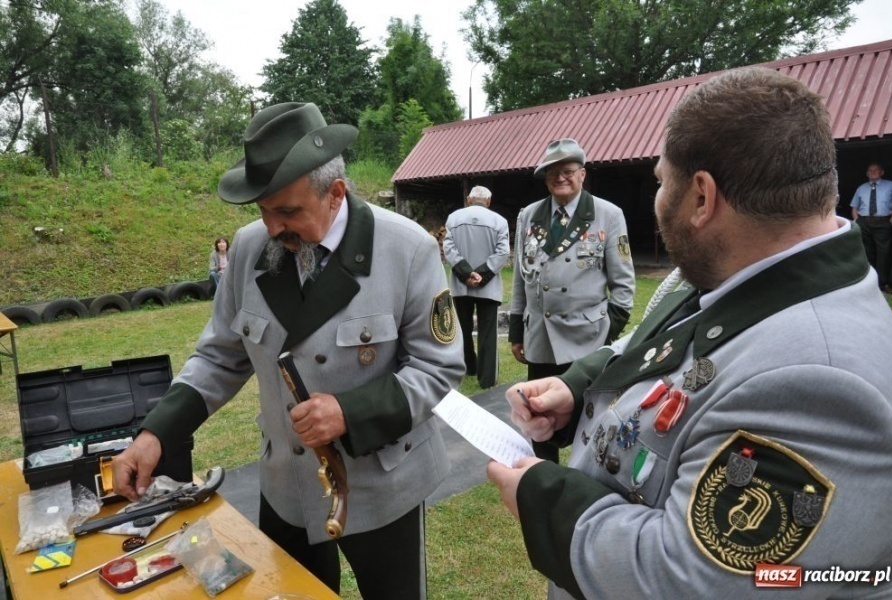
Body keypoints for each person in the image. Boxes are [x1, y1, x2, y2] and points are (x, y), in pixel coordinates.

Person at [488, 67, 892, 599]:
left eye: (662, 181)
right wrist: (576, 387)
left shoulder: (821, 384)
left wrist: (542, 498)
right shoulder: (741, 274)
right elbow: (660, 348)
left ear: (702, 198)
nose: (658, 198)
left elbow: (684, 582)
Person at [112, 102, 464, 599]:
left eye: (288, 211)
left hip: (384, 487)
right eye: (262, 210)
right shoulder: (250, 248)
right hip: (287, 487)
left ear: (335, 193)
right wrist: (155, 435)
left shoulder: (407, 249)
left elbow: (438, 365)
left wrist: (349, 410)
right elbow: (218, 357)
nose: (272, 227)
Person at [509, 137, 635, 462]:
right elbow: (521, 277)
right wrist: (515, 330)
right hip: (540, 337)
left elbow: (623, 283)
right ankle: (543, 473)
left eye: (567, 171)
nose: (560, 177)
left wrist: (608, 334)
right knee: (538, 413)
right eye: (552, 172)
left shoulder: (608, 214)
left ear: (582, 174)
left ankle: (583, 480)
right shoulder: (529, 216)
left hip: (586, 338)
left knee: (587, 419)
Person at [442, 185, 510, 389]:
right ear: (488, 201)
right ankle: (487, 378)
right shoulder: (499, 221)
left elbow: (448, 248)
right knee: (488, 333)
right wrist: (482, 274)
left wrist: (465, 272)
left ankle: (468, 368)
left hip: (460, 286)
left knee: (462, 330)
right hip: (487, 287)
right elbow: (503, 252)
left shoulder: (453, 218)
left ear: (469, 200)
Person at [849, 163, 892, 292]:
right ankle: (870, 283)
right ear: (866, 173)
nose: (873, 172)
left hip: (883, 222)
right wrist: (857, 220)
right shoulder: (861, 188)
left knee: (884, 253)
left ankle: (884, 283)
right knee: (867, 253)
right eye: (870, 170)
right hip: (864, 222)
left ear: (882, 172)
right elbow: (854, 206)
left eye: (876, 170)